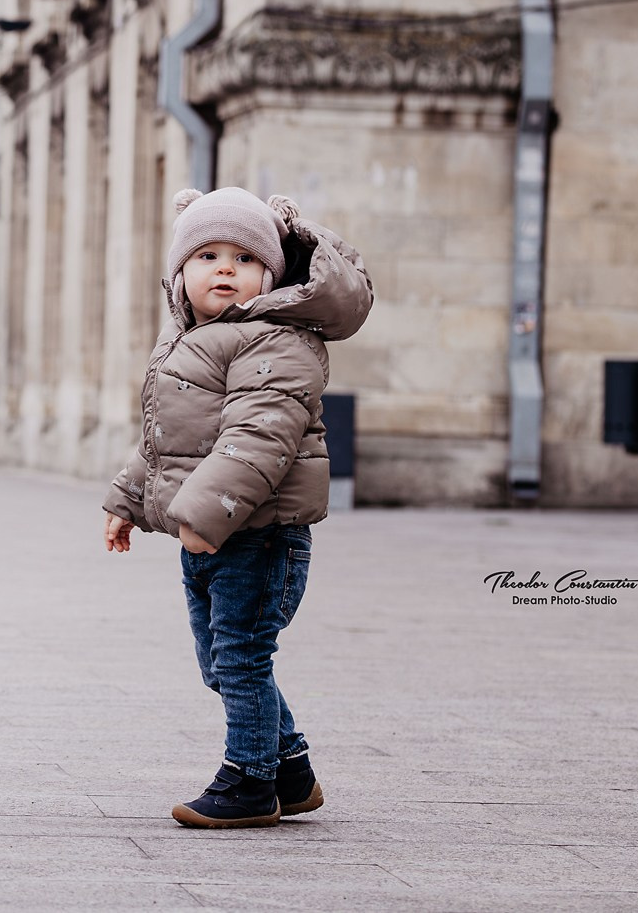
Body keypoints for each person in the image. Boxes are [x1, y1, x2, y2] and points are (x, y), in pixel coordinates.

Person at [100, 187, 373, 828]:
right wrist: (128, 499)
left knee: (242, 659)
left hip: (258, 534)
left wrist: (205, 513)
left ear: (270, 276)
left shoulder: (275, 340)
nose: (225, 268)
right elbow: (170, 442)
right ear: (179, 277)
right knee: (221, 663)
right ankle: (292, 769)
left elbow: (259, 438)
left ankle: (250, 781)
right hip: (217, 530)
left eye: (244, 258)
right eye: (208, 256)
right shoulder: (195, 342)